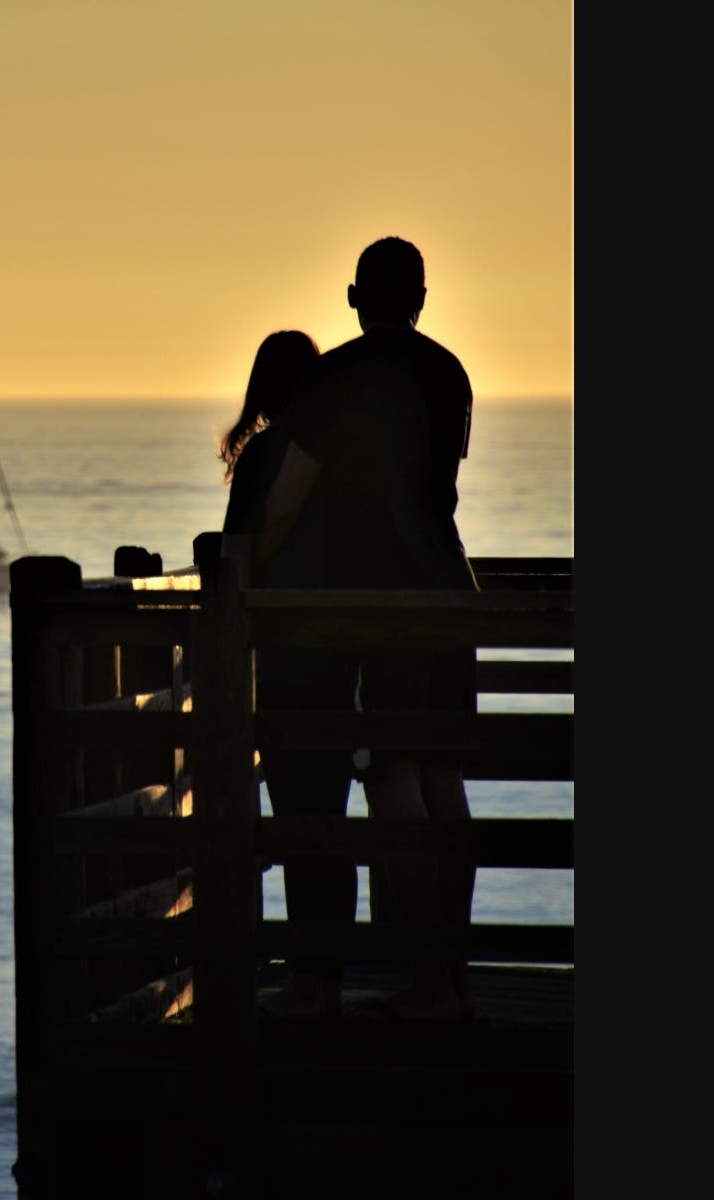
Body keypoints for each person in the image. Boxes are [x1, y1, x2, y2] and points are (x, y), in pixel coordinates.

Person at [257, 237, 479, 1022]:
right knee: (443, 779)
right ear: (421, 297)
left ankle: (426, 984)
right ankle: (452, 977)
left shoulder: (335, 378)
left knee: (390, 781)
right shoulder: (450, 373)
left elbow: (285, 503)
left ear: (354, 298)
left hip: (384, 606)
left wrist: (252, 577)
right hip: (453, 589)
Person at [219, 330, 356, 1021]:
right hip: (343, 661)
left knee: (298, 821)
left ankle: (308, 980)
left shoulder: (264, 459)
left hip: (282, 662)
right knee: (330, 822)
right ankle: (327, 976)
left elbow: (236, 563)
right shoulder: (343, 461)